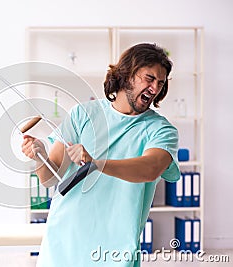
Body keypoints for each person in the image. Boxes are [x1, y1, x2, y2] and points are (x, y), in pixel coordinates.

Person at [21, 43, 180, 266]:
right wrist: (39, 156)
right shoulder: (83, 114)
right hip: (64, 243)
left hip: (113, 252)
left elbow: (150, 168)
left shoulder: (161, 130)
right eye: (149, 78)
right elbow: (49, 177)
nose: (155, 88)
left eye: (160, 83)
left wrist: (97, 164)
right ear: (128, 75)